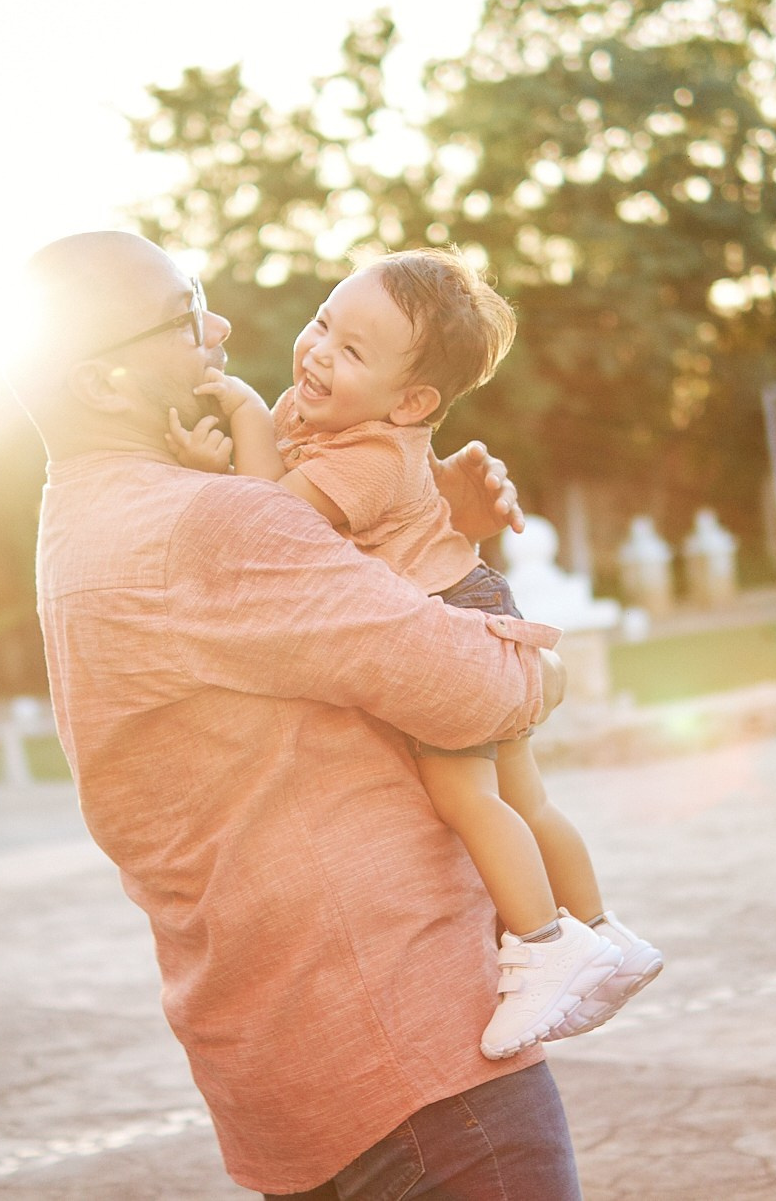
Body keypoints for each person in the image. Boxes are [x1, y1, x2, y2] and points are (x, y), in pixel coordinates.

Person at [11, 231, 584, 1199]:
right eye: (185, 313)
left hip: (280, 1070)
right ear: (105, 386)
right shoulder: (211, 526)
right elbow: (479, 690)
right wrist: (544, 668)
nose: (222, 328)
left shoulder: (78, 530)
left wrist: (430, 522)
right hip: (411, 1062)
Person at [164, 248, 662, 1059]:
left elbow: (273, 523)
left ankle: (544, 944)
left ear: (413, 403)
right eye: (325, 322)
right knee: (524, 797)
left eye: (353, 352)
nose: (320, 351)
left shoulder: (372, 456)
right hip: (476, 599)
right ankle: (604, 932)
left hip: (450, 620)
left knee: (467, 800)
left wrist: (248, 418)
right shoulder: (331, 414)